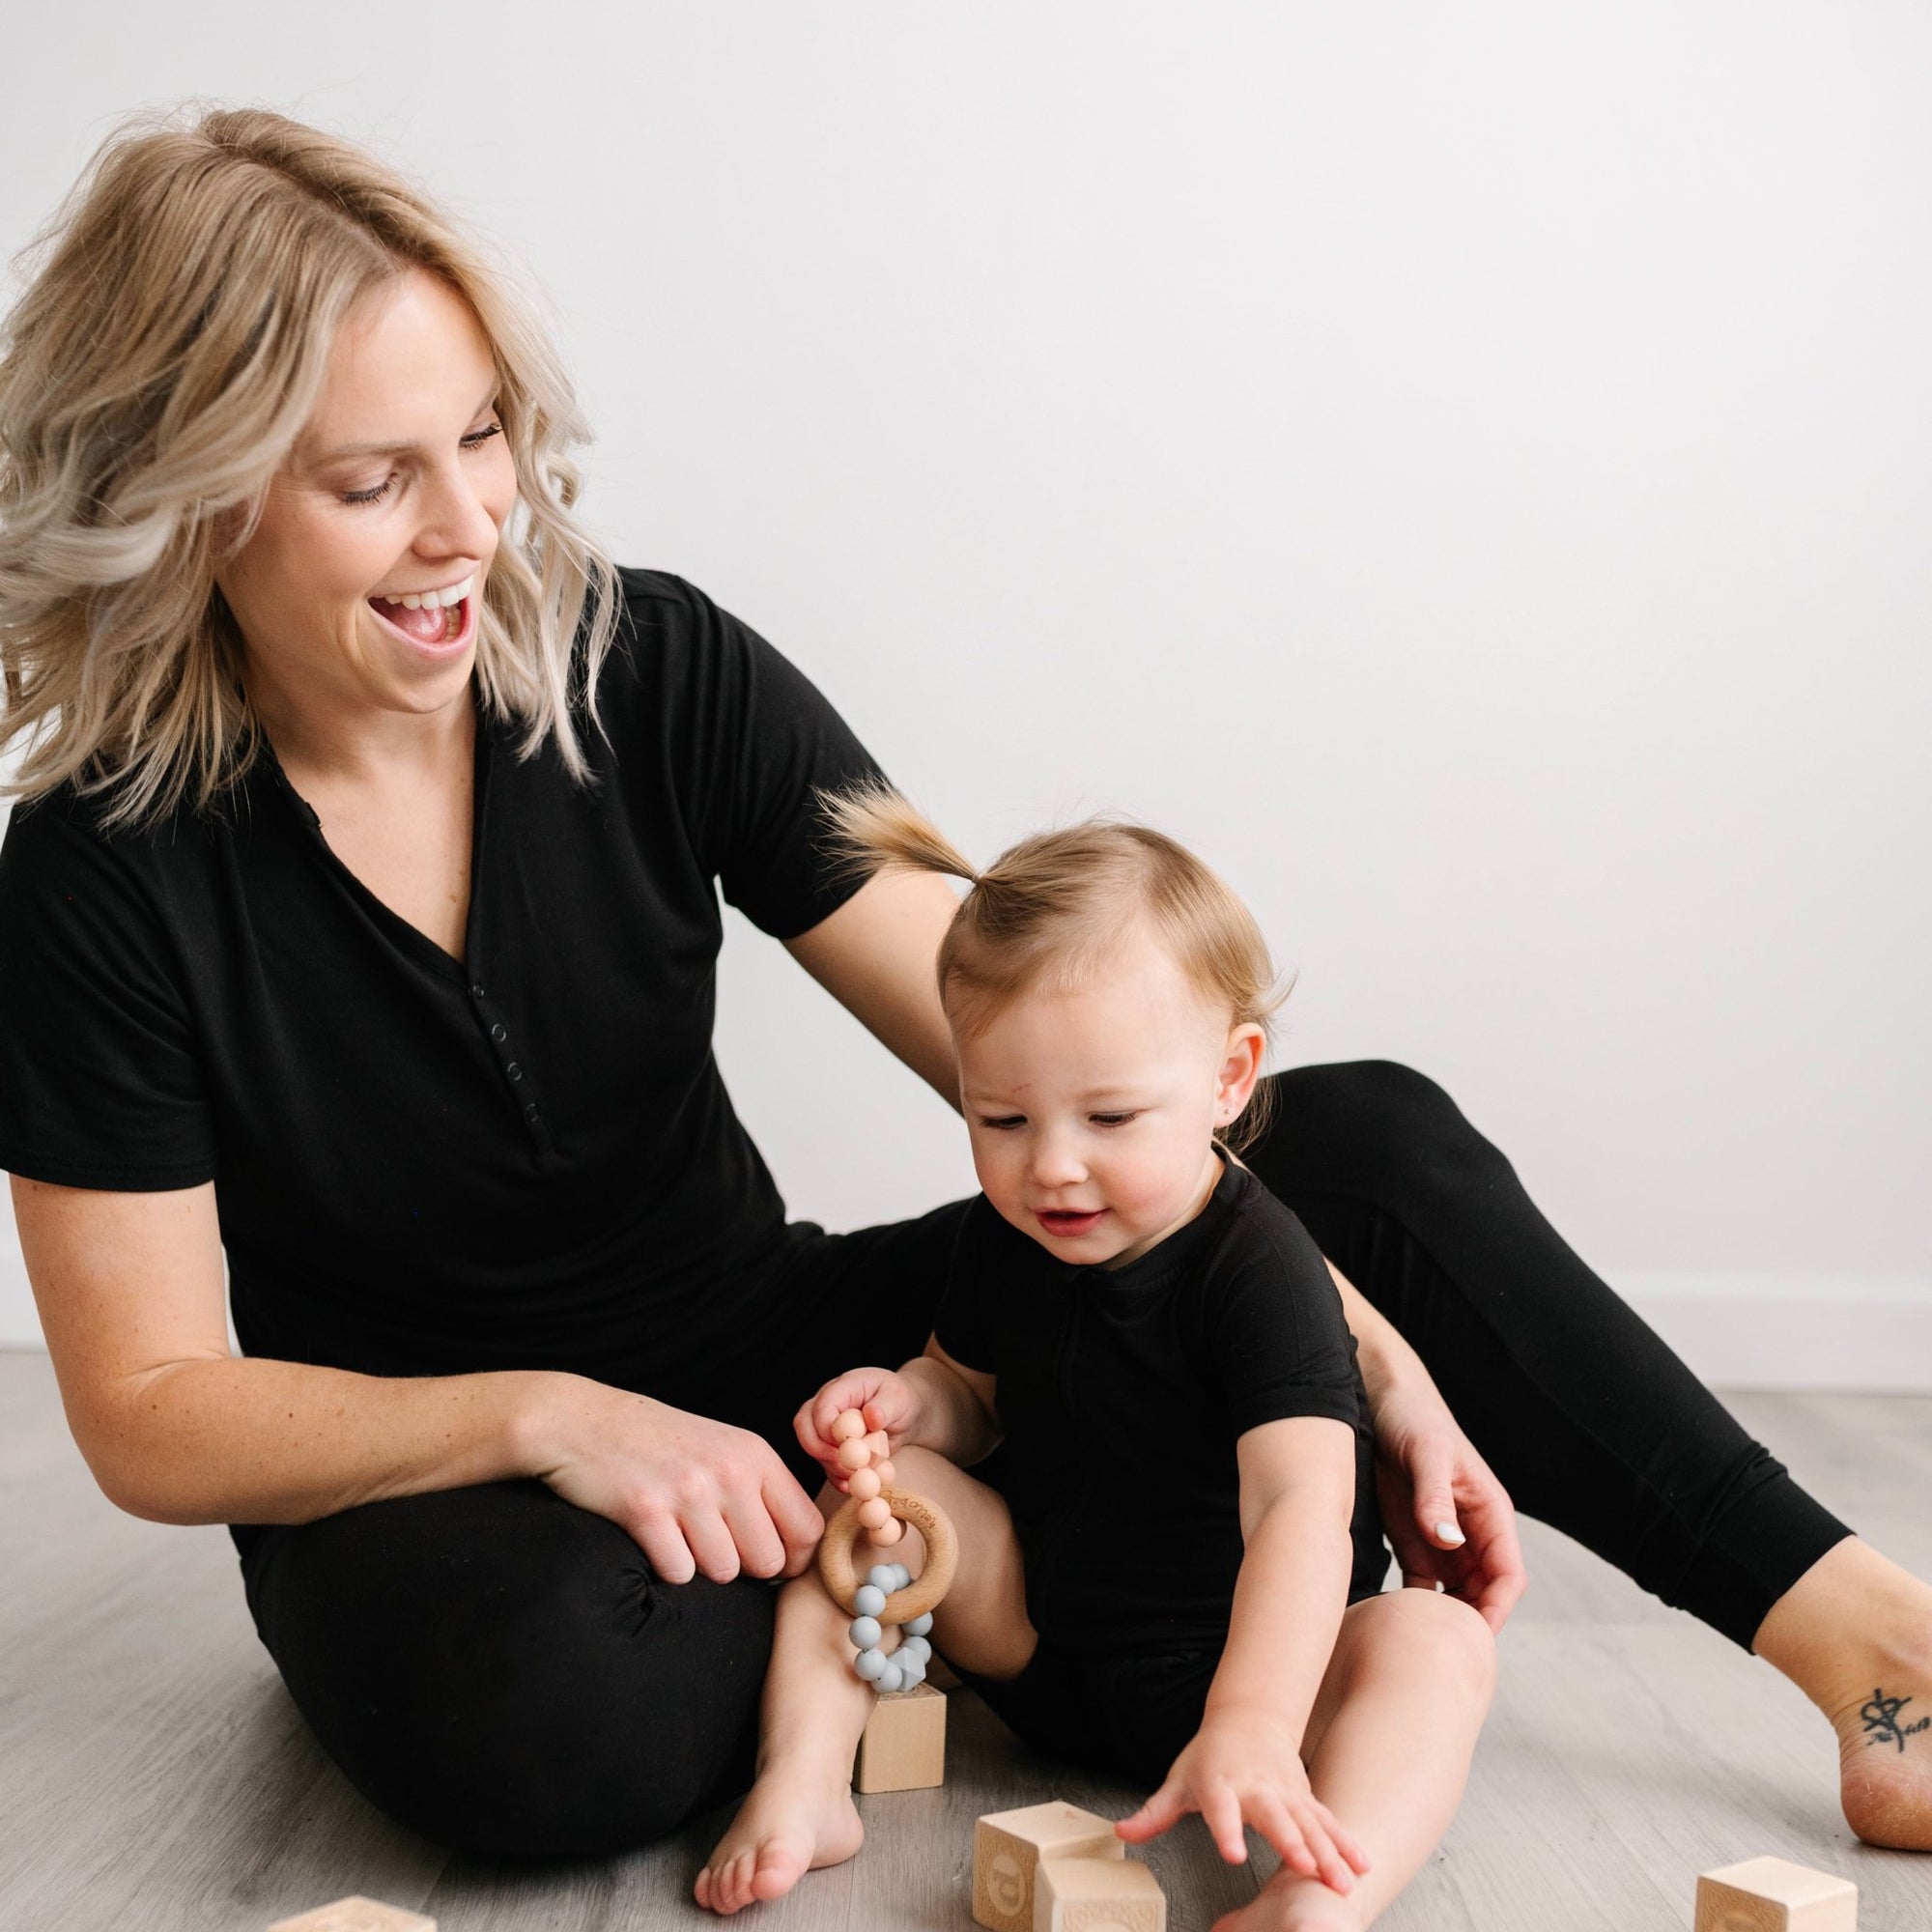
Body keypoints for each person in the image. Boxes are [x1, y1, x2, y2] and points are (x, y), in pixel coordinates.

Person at [0, 104, 1925, 1870]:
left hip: (784, 1354)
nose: (474, 526)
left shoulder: (648, 669)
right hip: (443, 1473)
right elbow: (157, 1407)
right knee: (541, 1725)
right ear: (201, 495)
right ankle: (963, 1587)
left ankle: (1879, 1658)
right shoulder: (96, 872)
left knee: (1358, 1142)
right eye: (372, 480)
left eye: (483, 436)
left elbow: (1052, 1052)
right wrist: (540, 1417)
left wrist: (1378, 1361)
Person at [696, 794, 1497, 1931]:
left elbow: (1297, 1506)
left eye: (1110, 1116)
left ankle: (1318, 1897)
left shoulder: (1258, 1266)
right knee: (879, 1502)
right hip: (1049, 1647)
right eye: (1003, 1119)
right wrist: (908, 1403)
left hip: (1259, 1677)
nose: (1052, 1168)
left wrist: (1255, 1718)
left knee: (1435, 1641)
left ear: (1230, 1078)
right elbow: (970, 1396)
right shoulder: (1002, 1236)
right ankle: (804, 1777)